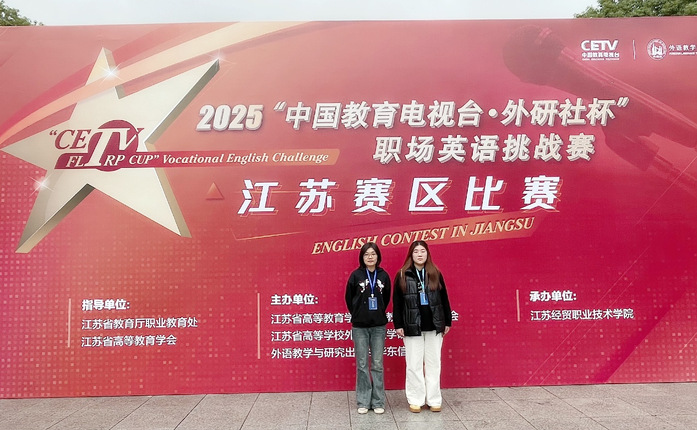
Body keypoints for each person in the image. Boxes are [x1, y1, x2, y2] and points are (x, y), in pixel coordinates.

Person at [393, 240, 452, 413]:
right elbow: (397, 303)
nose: (420, 254)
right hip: (412, 326)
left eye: (423, 251)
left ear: (427, 254)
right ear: (411, 255)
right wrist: (398, 324)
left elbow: (444, 299)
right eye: (416, 251)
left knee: (434, 364)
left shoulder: (435, 273)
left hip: (434, 325)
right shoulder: (402, 274)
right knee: (414, 364)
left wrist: (447, 321)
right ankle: (416, 400)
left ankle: (434, 400)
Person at [344, 242, 391, 415]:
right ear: (362, 257)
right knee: (362, 364)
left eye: (373, 254)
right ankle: (363, 401)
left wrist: (376, 312)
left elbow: (386, 298)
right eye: (366, 254)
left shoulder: (383, 276)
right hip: (360, 327)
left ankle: (378, 401)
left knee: (377, 364)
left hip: (378, 326)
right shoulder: (356, 275)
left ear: (378, 256)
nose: (370, 257)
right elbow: (349, 299)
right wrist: (359, 314)